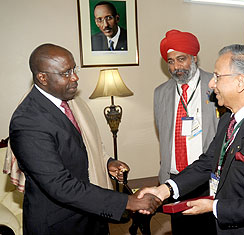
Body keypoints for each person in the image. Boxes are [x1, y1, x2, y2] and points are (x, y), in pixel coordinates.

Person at [139, 44, 244, 235]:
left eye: (217, 77)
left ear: (240, 82)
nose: (211, 84)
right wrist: (165, 190)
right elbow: (208, 162)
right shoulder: (227, 119)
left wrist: (213, 207)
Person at [9, 43, 161, 235]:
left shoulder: (70, 103)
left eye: (74, 69)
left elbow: (81, 145)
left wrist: (106, 162)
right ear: (42, 78)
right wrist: (128, 201)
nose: (75, 77)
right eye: (65, 73)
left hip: (90, 214)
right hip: (59, 224)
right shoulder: (28, 121)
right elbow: (59, 185)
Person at [154, 29, 218, 234]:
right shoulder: (160, 93)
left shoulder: (215, 86)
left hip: (207, 179)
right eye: (170, 61)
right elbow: (163, 134)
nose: (176, 66)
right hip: (174, 179)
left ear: (194, 57)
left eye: (181, 59)